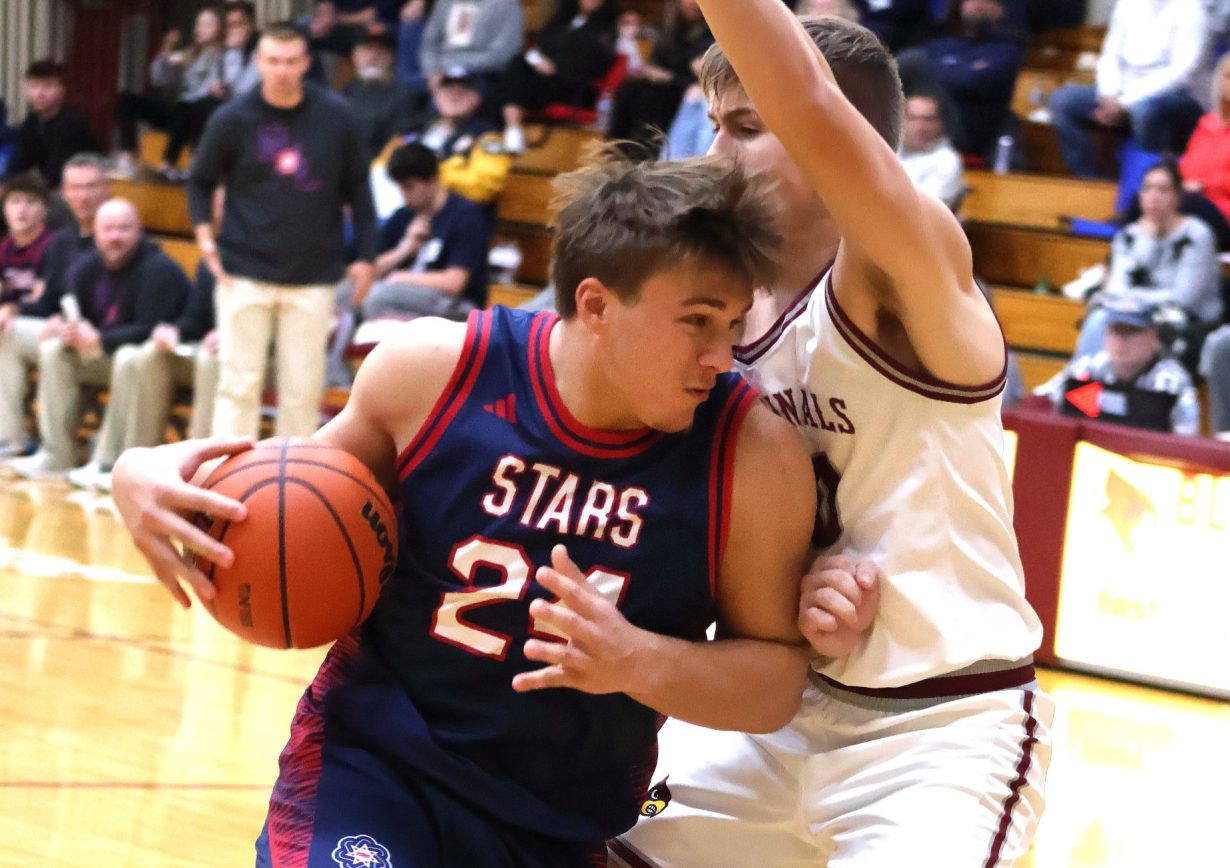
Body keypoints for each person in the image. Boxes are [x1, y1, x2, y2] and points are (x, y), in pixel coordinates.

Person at [105, 153, 876, 865]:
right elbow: (291, 501)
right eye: (697, 322)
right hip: (376, 769)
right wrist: (138, 474)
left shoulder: (751, 454)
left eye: (733, 325)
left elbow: (774, 681)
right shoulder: (436, 372)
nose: (721, 356)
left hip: (559, 820)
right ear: (597, 304)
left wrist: (637, 661)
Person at [614, 8, 1051, 866]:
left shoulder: (899, 268)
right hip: (769, 718)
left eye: (747, 127)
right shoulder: (715, 321)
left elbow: (810, 105)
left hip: (937, 732)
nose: (715, 152)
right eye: (714, 124)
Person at [186, 22, 378, 440]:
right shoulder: (231, 118)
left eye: (291, 62)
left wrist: (367, 257)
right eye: (273, 61)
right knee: (238, 386)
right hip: (242, 269)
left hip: (314, 274)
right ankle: (227, 475)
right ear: (258, 62)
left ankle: (291, 479)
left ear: (306, 63)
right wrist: (204, 237)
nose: (282, 71)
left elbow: (360, 191)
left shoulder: (337, 116)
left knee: (302, 392)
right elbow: (199, 181)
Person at [6, 199, 191, 482]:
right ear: (96, 232)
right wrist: (66, 329)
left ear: (139, 231)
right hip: (107, 355)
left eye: (124, 229)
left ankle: (109, 463)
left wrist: (101, 339)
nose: (115, 236)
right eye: (108, 229)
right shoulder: (87, 267)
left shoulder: (160, 269)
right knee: (55, 350)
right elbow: (74, 313)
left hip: (151, 362)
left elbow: (152, 329)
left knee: (129, 358)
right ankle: (57, 455)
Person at [329, 141, 490, 384]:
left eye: (409, 187)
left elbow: (455, 282)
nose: (404, 195)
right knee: (343, 292)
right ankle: (338, 381)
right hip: (401, 295)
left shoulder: (465, 215)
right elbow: (368, 269)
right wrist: (404, 249)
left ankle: (389, 378)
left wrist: (403, 278)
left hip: (458, 306)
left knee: (378, 296)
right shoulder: (403, 216)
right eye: (400, 187)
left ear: (432, 180)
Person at [0, 154, 110, 459]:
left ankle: (57, 451)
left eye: (91, 186)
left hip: (105, 339)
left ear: (107, 189)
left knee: (53, 347)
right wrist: (14, 310)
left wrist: (69, 323)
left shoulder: (118, 236)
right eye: (76, 187)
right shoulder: (61, 242)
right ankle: (10, 436)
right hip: (63, 331)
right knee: (8, 331)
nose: (83, 196)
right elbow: (48, 301)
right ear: (65, 193)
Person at [1074, 159, 1222, 359]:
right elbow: (1116, 288)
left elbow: (1184, 298)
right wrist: (1149, 239)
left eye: (1163, 190)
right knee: (1099, 320)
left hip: (1188, 320)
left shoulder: (1197, 234)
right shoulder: (1129, 235)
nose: (1154, 197)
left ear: (1178, 197)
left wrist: (1135, 301)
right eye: (1147, 189)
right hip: (1135, 314)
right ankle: (1084, 375)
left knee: (1150, 330)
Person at [1048, 0, 1210, 178]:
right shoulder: (1127, 4)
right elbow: (1110, 54)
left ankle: (1146, 182)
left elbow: (1182, 72)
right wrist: (1108, 93)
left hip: (1175, 97)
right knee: (1062, 101)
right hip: (1120, 93)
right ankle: (1088, 178)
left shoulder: (1191, 10)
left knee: (1144, 111)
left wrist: (1126, 102)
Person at [1037, 296, 1201, 435]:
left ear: (1154, 338)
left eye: (1132, 332)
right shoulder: (1089, 367)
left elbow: (1186, 437)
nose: (1121, 342)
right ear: (1105, 337)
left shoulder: (1171, 381)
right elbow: (1040, 401)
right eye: (1116, 332)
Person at [896, 0, 1023, 163]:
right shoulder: (942, 44)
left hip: (969, 132)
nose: (978, 5)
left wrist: (943, 67)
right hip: (926, 120)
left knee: (915, 63)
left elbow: (969, 81)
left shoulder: (1007, 52)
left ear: (1001, 9)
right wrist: (958, 69)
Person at [112, 6, 227, 180]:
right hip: (180, 115)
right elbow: (158, 78)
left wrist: (205, 86)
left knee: (188, 106)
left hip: (202, 116)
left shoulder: (225, 55)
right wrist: (166, 48)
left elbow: (222, 86)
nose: (199, 29)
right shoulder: (190, 53)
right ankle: (128, 157)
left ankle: (170, 164)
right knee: (127, 99)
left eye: (207, 24)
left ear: (220, 28)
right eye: (198, 24)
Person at [499, 0, 619, 154]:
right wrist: (539, 61)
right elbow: (541, 47)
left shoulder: (606, 31)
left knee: (516, 80)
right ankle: (511, 130)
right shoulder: (562, 20)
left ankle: (511, 130)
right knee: (515, 68)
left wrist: (556, 67)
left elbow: (595, 63)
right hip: (545, 77)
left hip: (577, 87)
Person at [4, 60, 100, 188]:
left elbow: (57, 176)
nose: (39, 93)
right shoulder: (33, 119)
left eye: (47, 86)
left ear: (62, 90)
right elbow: (19, 162)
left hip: (80, 187)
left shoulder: (71, 122)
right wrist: (5, 185)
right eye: (34, 86)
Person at [417, 0, 525, 101]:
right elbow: (429, 43)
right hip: (440, 69)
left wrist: (451, 67)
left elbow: (502, 54)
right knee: (410, 91)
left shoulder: (507, 4)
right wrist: (432, 69)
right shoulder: (446, 2)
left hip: (483, 72)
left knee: (451, 95)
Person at [340, 30, 422, 155]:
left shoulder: (404, 96)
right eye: (367, 50)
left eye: (381, 51)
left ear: (391, 57)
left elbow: (396, 145)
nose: (373, 57)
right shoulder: (346, 92)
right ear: (355, 56)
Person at [897, 91, 965, 210]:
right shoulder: (888, 150)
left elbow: (926, 209)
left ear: (940, 124)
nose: (919, 127)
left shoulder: (947, 161)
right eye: (912, 118)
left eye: (928, 119)